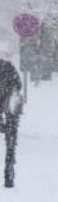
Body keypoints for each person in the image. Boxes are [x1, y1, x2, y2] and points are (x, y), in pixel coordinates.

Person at [0, 57, 22, 188]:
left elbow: (17, 87)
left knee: (11, 139)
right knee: (11, 138)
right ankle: (9, 169)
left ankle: (9, 170)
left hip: (11, 101)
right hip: (11, 98)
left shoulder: (7, 68)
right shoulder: (8, 67)